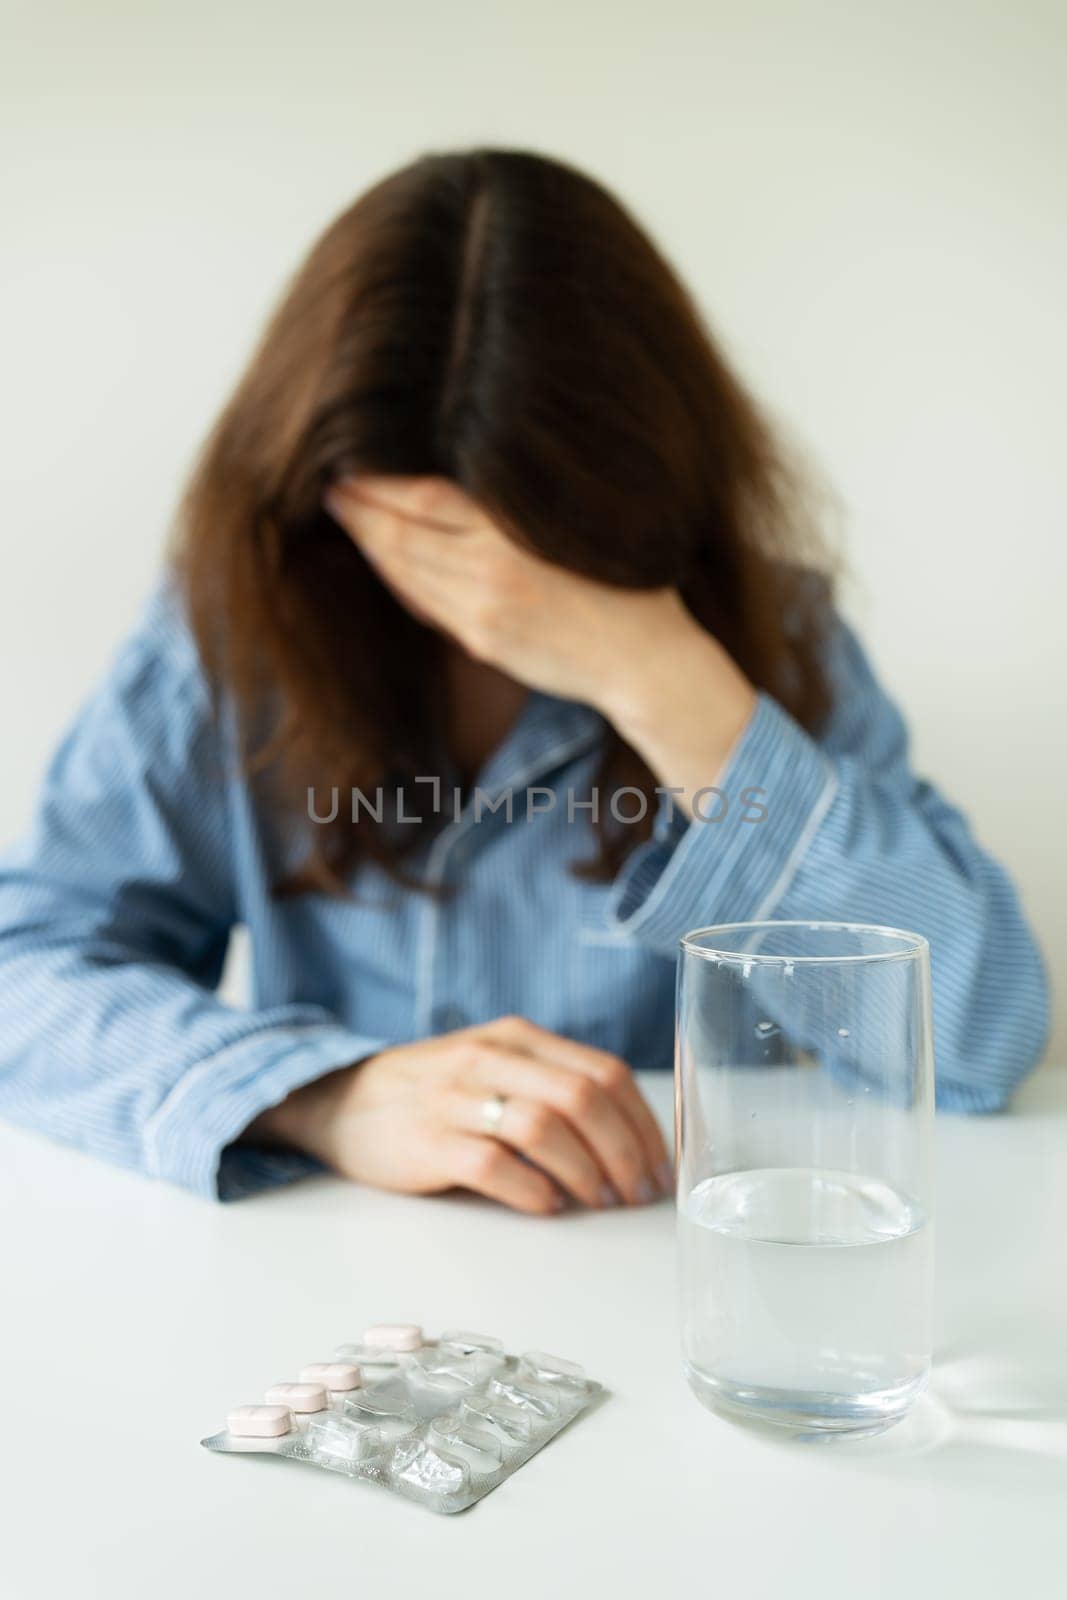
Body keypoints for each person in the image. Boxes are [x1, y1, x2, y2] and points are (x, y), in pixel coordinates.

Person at [0, 149, 1048, 1210]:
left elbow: (974, 1042)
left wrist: (659, 676)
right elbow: (23, 974)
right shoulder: (229, 638)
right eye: (420, 538)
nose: (478, 595)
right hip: (341, 1276)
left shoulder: (778, 640)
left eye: (522, 547)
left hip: (668, 1260)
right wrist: (324, 1094)